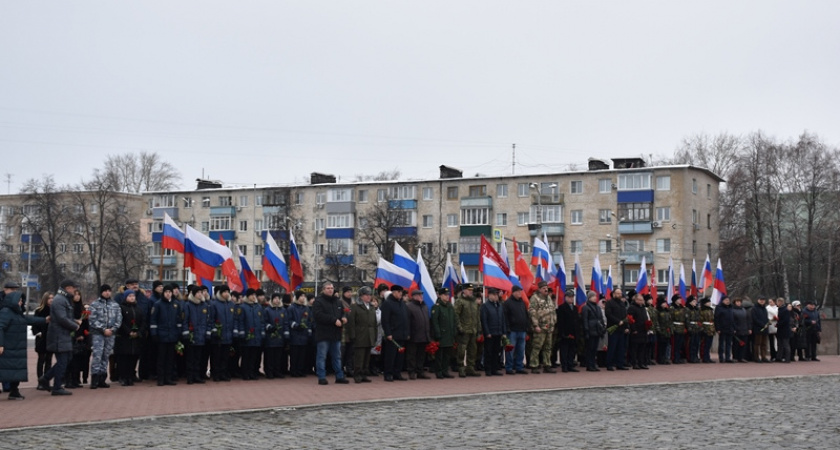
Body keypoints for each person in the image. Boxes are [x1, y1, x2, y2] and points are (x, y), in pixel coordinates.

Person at [1, 287, 47, 400]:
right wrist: (1, 344)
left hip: (16, 348)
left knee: (15, 370)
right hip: (8, 347)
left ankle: (14, 391)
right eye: (20, 300)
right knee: (5, 369)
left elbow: (28, 320)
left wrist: (45, 320)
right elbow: (0, 328)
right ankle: (13, 391)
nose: (21, 302)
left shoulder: (17, 313)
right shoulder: (6, 312)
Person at [39, 279, 81, 396]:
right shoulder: (59, 300)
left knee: (66, 359)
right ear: (68, 288)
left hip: (63, 335)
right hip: (59, 335)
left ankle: (46, 378)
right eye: (73, 288)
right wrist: (75, 326)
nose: (75, 290)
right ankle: (56, 387)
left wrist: (74, 321)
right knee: (62, 361)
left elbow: (65, 317)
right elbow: (61, 318)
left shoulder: (64, 299)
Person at [311, 282, 349, 385]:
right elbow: (318, 315)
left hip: (335, 334)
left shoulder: (337, 301)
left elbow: (342, 312)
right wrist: (333, 320)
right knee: (322, 356)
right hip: (323, 334)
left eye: (332, 288)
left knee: (337, 356)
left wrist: (344, 317)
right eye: (328, 288)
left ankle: (339, 376)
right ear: (323, 289)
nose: (330, 290)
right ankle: (322, 377)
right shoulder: (318, 301)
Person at [88, 284, 122, 389]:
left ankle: (102, 378)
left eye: (109, 291)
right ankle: (94, 378)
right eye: (105, 291)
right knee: (97, 355)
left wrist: (112, 329)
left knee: (106, 356)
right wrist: (103, 329)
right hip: (98, 334)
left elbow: (119, 319)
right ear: (101, 292)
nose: (107, 293)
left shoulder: (115, 305)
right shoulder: (95, 304)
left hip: (110, 334)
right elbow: (92, 319)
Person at [150, 284, 181, 386]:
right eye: (166, 292)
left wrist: (178, 333)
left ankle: (168, 378)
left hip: (172, 335)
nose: (168, 294)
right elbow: (153, 320)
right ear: (163, 293)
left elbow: (179, 319)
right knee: (161, 358)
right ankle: (160, 379)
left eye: (170, 292)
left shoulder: (176, 304)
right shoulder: (158, 304)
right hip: (161, 335)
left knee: (170, 359)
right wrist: (154, 334)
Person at [114, 289, 145, 386]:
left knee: (133, 358)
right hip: (124, 337)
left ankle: (130, 376)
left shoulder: (138, 309)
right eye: (130, 296)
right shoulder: (121, 308)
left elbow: (143, 322)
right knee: (124, 358)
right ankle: (123, 377)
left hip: (136, 338)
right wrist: (128, 332)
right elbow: (120, 322)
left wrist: (139, 332)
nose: (132, 298)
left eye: (133, 296)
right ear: (126, 297)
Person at [380, 285, 409, 382]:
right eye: (399, 292)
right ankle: (388, 374)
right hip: (392, 335)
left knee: (400, 356)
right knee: (390, 356)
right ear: (393, 292)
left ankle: (397, 373)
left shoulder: (402, 303)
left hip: (402, 334)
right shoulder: (388, 303)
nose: (401, 294)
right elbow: (385, 320)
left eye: (401, 292)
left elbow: (406, 319)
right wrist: (388, 333)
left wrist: (407, 333)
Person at [182, 285, 211, 384]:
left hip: (201, 335)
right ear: (193, 294)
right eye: (198, 293)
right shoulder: (188, 305)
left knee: (198, 358)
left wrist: (207, 333)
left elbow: (207, 321)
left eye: (201, 292)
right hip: (191, 335)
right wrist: (186, 333)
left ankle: (197, 376)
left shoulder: (205, 305)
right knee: (190, 358)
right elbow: (184, 320)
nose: (200, 294)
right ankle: (190, 377)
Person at [208, 285, 235, 381]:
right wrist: (214, 330)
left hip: (228, 336)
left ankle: (223, 373)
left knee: (225, 357)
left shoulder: (231, 304)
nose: (226, 294)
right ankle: (216, 374)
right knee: (216, 357)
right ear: (220, 293)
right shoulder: (214, 304)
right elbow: (211, 319)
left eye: (228, 292)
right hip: (218, 336)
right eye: (224, 292)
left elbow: (234, 319)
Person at [528, 281, 556, 374]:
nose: (546, 289)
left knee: (548, 347)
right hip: (540, 327)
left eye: (546, 288)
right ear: (539, 289)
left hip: (549, 327)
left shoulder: (549, 298)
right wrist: (536, 325)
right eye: (543, 288)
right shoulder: (534, 298)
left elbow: (553, 311)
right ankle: (534, 365)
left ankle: (547, 365)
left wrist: (553, 323)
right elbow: (532, 312)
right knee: (537, 347)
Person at [454, 283, 481, 378]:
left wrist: (479, 329)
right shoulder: (459, 301)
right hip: (464, 330)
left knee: (472, 351)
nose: (471, 291)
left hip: (473, 330)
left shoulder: (474, 302)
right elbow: (456, 315)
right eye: (469, 290)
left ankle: (470, 368)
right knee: (461, 350)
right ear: (464, 291)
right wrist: (459, 328)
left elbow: (477, 316)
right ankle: (461, 368)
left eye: (471, 290)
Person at [238, 289, 265, 381]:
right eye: (252, 295)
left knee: (254, 356)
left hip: (256, 336)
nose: (254, 297)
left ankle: (252, 372)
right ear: (248, 296)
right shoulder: (243, 307)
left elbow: (262, 321)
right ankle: (245, 373)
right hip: (247, 335)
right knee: (246, 356)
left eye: (254, 295)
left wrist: (262, 332)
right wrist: (242, 333)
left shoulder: (259, 307)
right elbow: (240, 321)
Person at [430, 287, 457, 379]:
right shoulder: (437, 307)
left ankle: (445, 371)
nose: (447, 296)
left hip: (449, 335)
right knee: (439, 355)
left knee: (447, 355)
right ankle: (439, 371)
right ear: (440, 296)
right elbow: (435, 321)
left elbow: (454, 320)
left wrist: (454, 332)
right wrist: (437, 333)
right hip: (441, 335)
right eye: (445, 295)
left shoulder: (450, 307)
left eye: (448, 295)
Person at [503, 285, 529, 375]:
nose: (520, 293)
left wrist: (527, 327)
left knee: (521, 350)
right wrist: (507, 329)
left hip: (522, 330)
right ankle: (509, 367)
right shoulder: (507, 303)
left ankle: (519, 366)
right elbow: (505, 317)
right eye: (518, 291)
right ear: (513, 292)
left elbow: (526, 315)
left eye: (520, 291)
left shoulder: (522, 303)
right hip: (512, 331)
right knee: (510, 350)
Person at [405, 289, 431, 380]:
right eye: (419, 295)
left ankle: (420, 371)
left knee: (421, 355)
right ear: (414, 296)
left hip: (423, 335)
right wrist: (408, 334)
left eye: (421, 295)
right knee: (411, 355)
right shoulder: (409, 306)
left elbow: (427, 320)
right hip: (413, 335)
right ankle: (411, 372)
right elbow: (407, 321)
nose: (421, 297)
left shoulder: (424, 307)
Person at [480, 287, 506, 376]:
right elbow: (484, 320)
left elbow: (502, 319)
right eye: (494, 295)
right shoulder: (485, 306)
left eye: (496, 295)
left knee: (496, 352)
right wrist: (487, 332)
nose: (496, 297)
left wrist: (503, 332)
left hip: (498, 332)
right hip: (490, 333)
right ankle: (488, 369)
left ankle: (494, 369)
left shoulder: (499, 306)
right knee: (488, 352)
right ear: (490, 295)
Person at [263, 293, 289, 380]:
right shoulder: (267, 310)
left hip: (280, 337)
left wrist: (286, 333)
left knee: (278, 355)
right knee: (270, 356)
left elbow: (285, 322)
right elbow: (264, 321)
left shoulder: (283, 310)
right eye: (275, 298)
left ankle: (277, 371)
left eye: (278, 298)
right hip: (270, 336)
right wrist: (269, 327)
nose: (277, 300)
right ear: (272, 300)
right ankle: (269, 371)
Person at [288, 290, 313, 378]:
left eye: (304, 296)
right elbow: (289, 320)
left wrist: (308, 330)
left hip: (304, 334)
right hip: (295, 334)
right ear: (297, 297)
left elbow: (309, 321)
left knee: (302, 354)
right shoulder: (292, 308)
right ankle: (293, 370)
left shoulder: (306, 308)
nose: (303, 298)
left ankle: (300, 370)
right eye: (301, 296)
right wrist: (296, 325)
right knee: (295, 354)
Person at [605, 289, 630, 370]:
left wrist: (626, 326)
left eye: (620, 293)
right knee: (612, 347)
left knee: (621, 347)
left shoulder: (622, 303)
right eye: (618, 293)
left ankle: (620, 364)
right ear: (614, 294)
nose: (620, 295)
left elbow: (625, 315)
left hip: (621, 328)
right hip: (613, 328)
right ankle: (609, 364)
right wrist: (617, 321)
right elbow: (608, 314)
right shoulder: (609, 303)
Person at [555, 288, 579, 373]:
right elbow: (560, 322)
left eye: (572, 297)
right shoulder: (561, 308)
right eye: (569, 297)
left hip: (574, 332)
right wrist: (563, 333)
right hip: (565, 333)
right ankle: (564, 366)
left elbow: (577, 321)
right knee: (564, 350)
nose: (571, 299)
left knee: (572, 350)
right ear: (565, 298)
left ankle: (570, 365)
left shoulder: (575, 308)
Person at [581, 291, 605, 372]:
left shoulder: (598, 307)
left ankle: (593, 364)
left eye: (595, 296)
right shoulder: (586, 307)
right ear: (589, 298)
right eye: (593, 296)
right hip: (590, 330)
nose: (595, 298)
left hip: (597, 330)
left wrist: (602, 328)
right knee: (589, 349)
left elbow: (601, 319)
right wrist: (586, 331)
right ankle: (589, 365)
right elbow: (585, 320)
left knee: (595, 349)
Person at [32, 291, 54, 379]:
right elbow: (35, 323)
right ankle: (40, 379)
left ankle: (46, 379)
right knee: (41, 359)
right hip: (42, 337)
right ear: (45, 299)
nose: (51, 300)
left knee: (49, 360)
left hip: (51, 337)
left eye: (52, 298)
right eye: (49, 298)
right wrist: (38, 333)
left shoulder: (54, 310)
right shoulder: (39, 310)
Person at [627, 293, 649, 370]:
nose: (641, 301)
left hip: (643, 330)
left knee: (642, 348)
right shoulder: (632, 308)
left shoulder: (643, 308)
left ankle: (641, 362)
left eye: (642, 300)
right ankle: (634, 363)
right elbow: (630, 319)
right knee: (634, 348)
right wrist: (633, 329)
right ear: (635, 300)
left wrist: (647, 325)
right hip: (636, 331)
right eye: (639, 300)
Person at [714, 296, 734, 363]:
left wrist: (733, 328)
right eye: (726, 300)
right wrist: (718, 328)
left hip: (730, 328)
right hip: (722, 328)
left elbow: (733, 319)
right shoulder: (719, 308)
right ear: (722, 301)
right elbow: (716, 319)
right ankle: (721, 357)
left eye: (728, 300)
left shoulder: (731, 307)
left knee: (729, 344)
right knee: (722, 344)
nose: (727, 301)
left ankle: (728, 357)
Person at [751, 295, 770, 363]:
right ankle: (756, 357)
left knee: (764, 344)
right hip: (757, 328)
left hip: (765, 328)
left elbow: (766, 317)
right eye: (761, 300)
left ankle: (764, 356)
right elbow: (754, 319)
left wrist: (768, 323)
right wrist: (762, 324)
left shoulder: (765, 308)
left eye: (763, 300)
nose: (762, 301)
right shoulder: (754, 308)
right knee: (757, 343)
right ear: (758, 300)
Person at [670, 295, 687, 364]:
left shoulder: (682, 308)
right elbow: (670, 319)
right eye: (678, 299)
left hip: (682, 327)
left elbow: (685, 318)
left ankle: (679, 357)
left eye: (680, 299)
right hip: (676, 327)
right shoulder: (672, 308)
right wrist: (672, 328)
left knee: (681, 344)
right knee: (675, 344)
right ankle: (675, 358)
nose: (680, 300)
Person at [655, 298, 673, 365]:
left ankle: (665, 358)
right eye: (663, 303)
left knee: (666, 345)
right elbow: (657, 321)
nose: (665, 304)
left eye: (665, 303)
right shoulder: (658, 311)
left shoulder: (667, 311)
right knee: (661, 346)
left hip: (667, 330)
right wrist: (659, 330)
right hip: (661, 330)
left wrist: (670, 329)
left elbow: (670, 321)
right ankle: (660, 359)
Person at [699, 297, 716, 363]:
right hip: (705, 328)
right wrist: (702, 329)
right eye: (708, 302)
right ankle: (704, 357)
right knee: (704, 344)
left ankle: (708, 357)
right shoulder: (701, 310)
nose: (709, 303)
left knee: (709, 344)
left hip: (711, 328)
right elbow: (700, 320)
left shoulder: (710, 310)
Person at [685, 296, 702, 363]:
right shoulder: (687, 309)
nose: (695, 303)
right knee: (691, 344)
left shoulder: (696, 309)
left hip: (696, 328)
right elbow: (687, 320)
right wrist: (689, 328)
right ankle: (691, 357)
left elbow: (699, 319)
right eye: (693, 301)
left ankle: (695, 356)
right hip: (691, 327)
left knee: (696, 343)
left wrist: (700, 327)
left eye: (695, 301)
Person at [775, 298, 791, 363]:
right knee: (780, 344)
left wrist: (778, 324)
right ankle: (779, 357)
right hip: (780, 330)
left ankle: (787, 358)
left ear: (780, 302)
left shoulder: (785, 310)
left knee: (785, 344)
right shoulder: (780, 309)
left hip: (784, 330)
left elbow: (785, 320)